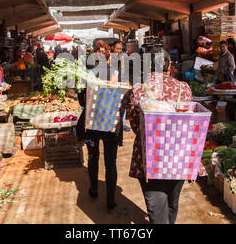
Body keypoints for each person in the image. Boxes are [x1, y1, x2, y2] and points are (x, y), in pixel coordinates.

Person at [120, 47, 193, 224]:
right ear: (169, 67)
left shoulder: (138, 90)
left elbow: (136, 125)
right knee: (172, 203)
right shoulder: (184, 88)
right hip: (179, 155)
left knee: (157, 208)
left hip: (150, 157)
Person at [76, 40, 120, 214]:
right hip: (110, 124)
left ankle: (94, 190)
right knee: (111, 163)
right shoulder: (117, 73)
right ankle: (111, 201)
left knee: (93, 157)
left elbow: (81, 101)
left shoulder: (87, 75)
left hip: (93, 123)